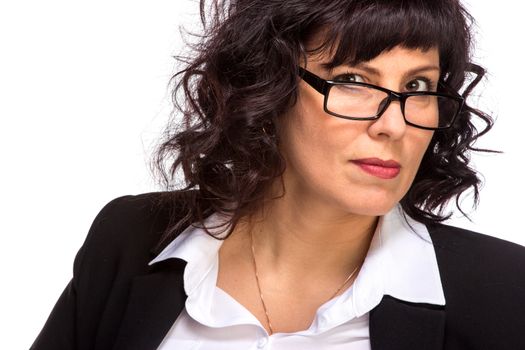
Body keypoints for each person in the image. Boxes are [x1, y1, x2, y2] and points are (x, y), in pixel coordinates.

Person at [31, 0, 525, 349]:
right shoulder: (131, 239)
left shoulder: (504, 292)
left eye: (418, 85)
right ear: (268, 84)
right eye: (353, 80)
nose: (394, 125)